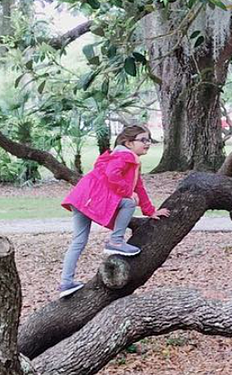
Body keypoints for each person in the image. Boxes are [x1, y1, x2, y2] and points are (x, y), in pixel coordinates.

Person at [57, 124, 170, 297]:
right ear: (129, 143)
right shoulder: (124, 156)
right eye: (143, 140)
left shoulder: (128, 158)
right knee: (128, 202)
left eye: (149, 140)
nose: (147, 143)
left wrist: (150, 211)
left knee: (78, 241)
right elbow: (112, 174)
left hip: (81, 198)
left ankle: (66, 283)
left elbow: (138, 186)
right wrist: (127, 192)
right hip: (90, 199)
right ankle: (116, 241)